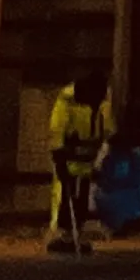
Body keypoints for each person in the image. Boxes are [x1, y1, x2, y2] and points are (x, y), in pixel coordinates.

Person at [48, 73, 112, 255]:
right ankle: (65, 235)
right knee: (66, 196)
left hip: (87, 160)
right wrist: (59, 156)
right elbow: (57, 129)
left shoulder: (100, 100)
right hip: (69, 158)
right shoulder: (68, 100)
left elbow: (107, 129)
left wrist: (101, 158)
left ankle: (75, 234)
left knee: (81, 197)